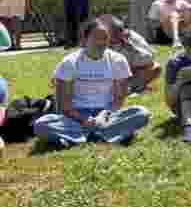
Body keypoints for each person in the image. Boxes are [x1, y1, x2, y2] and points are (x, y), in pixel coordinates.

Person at [33, 18, 151, 148]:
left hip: (108, 114)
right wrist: (83, 120)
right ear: (84, 40)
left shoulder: (118, 60)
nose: (101, 42)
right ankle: (105, 134)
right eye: (96, 38)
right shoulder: (69, 62)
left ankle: (79, 137)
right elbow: (64, 106)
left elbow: (119, 99)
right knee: (41, 125)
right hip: (76, 117)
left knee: (141, 113)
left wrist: (104, 115)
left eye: (105, 38)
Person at [102, 16, 161, 94]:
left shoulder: (132, 37)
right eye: (113, 33)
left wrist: (132, 48)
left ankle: (131, 88)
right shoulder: (101, 41)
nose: (116, 36)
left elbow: (149, 57)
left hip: (131, 71)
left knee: (156, 67)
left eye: (118, 31)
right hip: (109, 75)